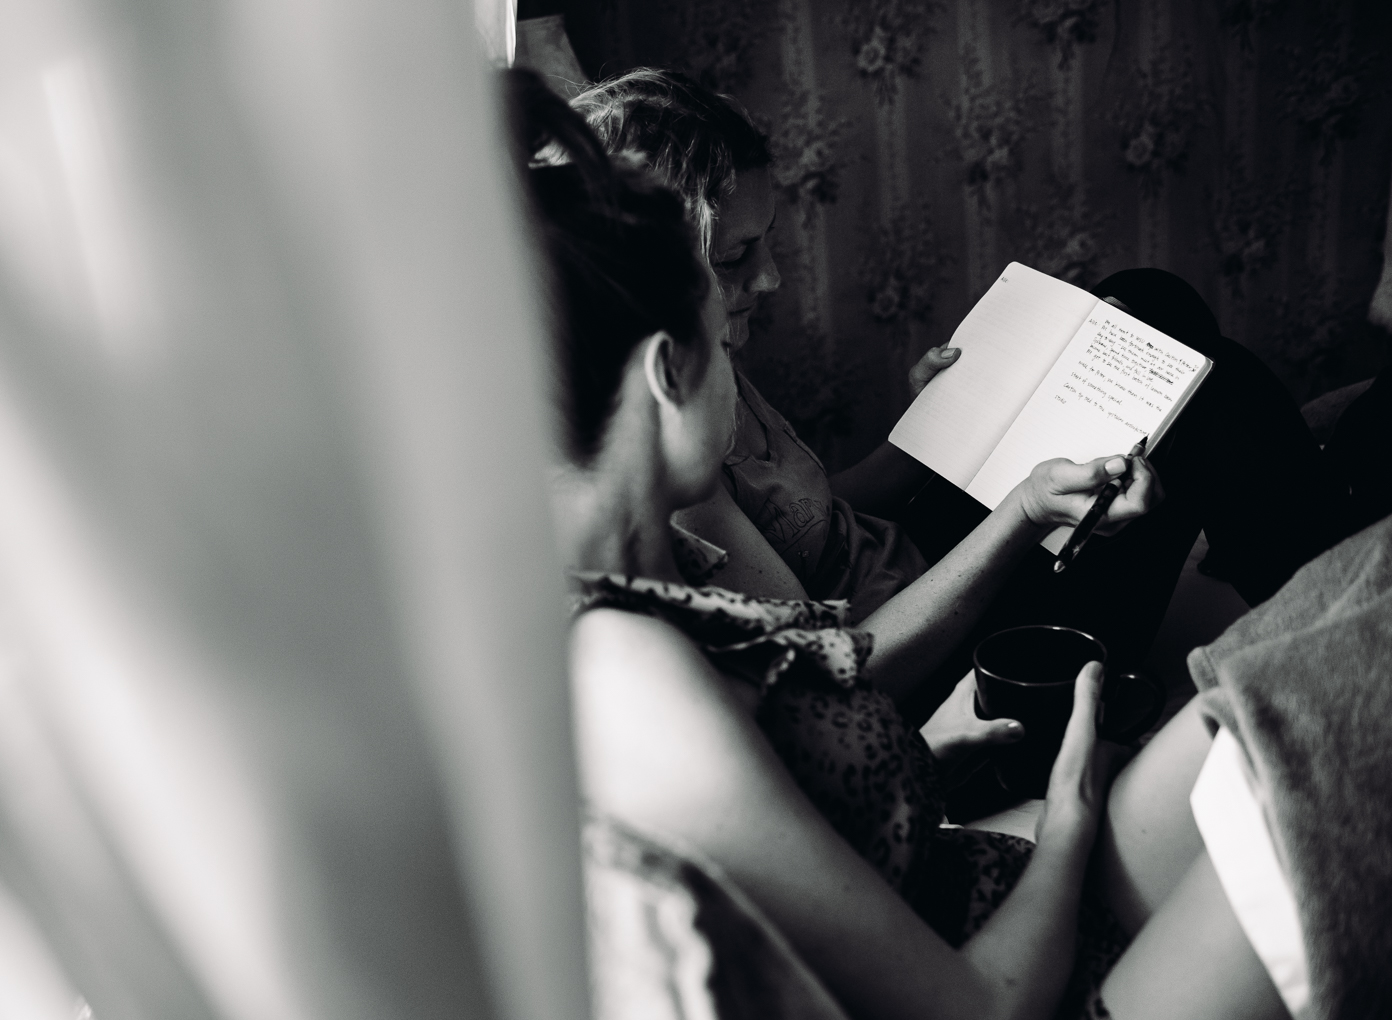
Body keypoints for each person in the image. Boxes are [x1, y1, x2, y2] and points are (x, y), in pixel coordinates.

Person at [508, 71, 1321, 1020]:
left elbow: (773, 838)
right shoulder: (626, 667)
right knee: (1327, 702)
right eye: (724, 313)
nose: (758, 306)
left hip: (977, 897)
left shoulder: (648, 587)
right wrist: (1073, 807)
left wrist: (935, 765)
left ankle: (1313, 538)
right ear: (665, 372)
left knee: (1291, 661)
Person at [571, 69, 1352, 713]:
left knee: (1142, 299)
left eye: (767, 242)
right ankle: (1345, 632)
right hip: (936, 648)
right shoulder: (672, 451)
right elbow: (847, 676)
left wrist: (927, 425)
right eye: (738, 255)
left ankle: (1292, 540)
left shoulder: (706, 351)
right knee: (1218, 395)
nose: (769, 278)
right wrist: (1024, 509)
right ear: (660, 268)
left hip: (914, 551)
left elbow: (810, 513)